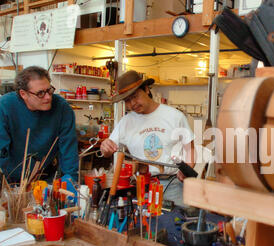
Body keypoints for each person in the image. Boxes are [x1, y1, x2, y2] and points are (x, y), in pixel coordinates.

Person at [100, 70, 195, 208]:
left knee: (178, 223)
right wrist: (105, 147)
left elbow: (190, 149)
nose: (132, 104)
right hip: (141, 186)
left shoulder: (174, 116)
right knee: (144, 226)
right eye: (127, 100)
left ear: (146, 89)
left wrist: (187, 168)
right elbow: (108, 151)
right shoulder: (126, 122)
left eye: (135, 96)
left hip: (172, 184)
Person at [0, 66, 79, 184]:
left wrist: (70, 180)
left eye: (49, 90)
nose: (48, 97)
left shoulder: (62, 108)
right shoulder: (5, 107)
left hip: (44, 177)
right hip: (11, 180)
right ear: (23, 94)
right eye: (40, 93)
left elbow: (69, 150)